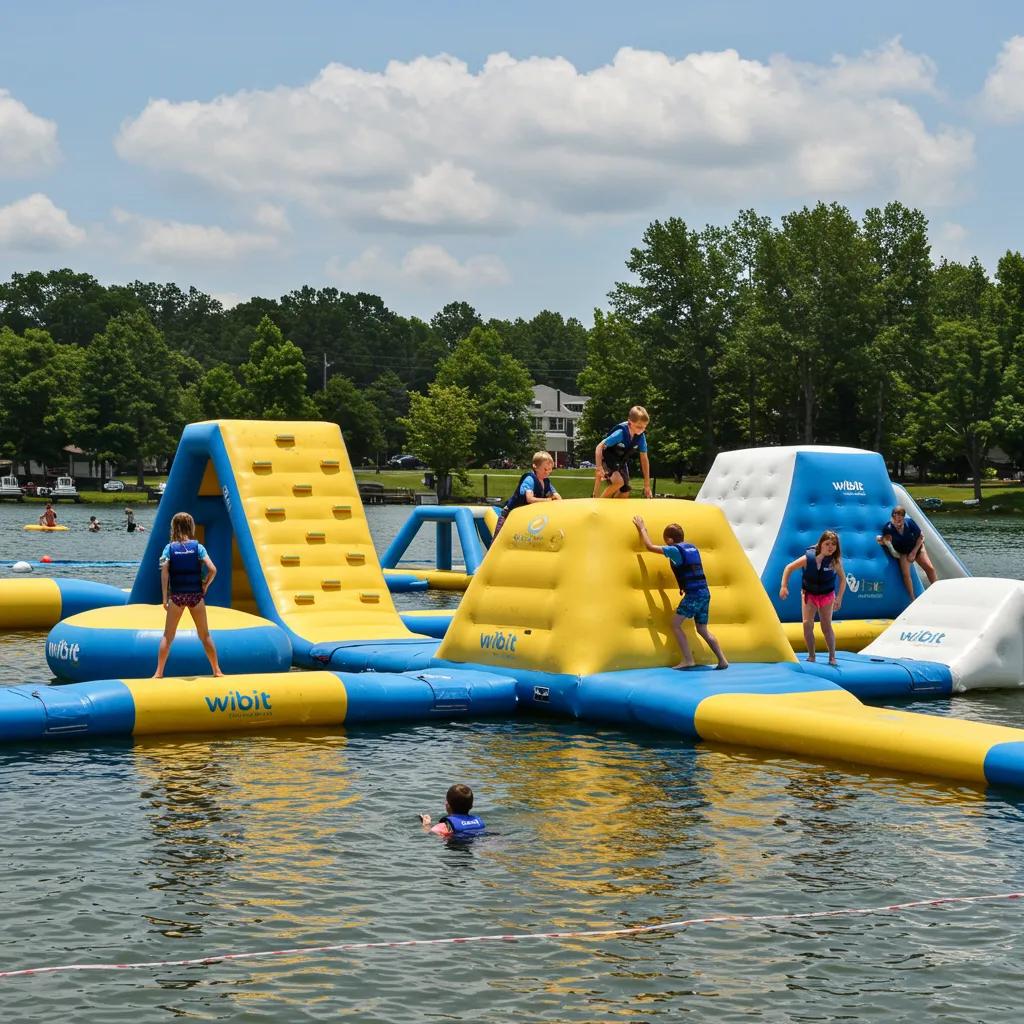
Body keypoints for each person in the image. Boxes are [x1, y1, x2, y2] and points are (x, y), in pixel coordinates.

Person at [633, 516, 729, 671]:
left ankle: (688, 659)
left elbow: (650, 547)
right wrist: (683, 585)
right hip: (704, 593)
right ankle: (722, 660)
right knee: (702, 629)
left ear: (670, 540)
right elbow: (689, 568)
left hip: (694, 595)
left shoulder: (674, 550)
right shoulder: (692, 547)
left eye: (665, 540)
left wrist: (642, 528)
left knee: (675, 624)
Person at [153, 511, 224, 678]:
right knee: (205, 635)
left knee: (168, 636)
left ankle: (158, 672)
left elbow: (164, 573)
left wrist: (165, 598)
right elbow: (213, 569)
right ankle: (217, 670)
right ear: (190, 527)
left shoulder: (168, 549)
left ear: (173, 528)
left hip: (177, 596)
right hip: (195, 596)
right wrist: (205, 584)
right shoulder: (198, 547)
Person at [779, 530, 847, 667]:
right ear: (820, 544)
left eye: (833, 544)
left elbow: (843, 580)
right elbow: (788, 568)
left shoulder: (834, 562)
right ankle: (811, 655)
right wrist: (784, 586)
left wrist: (839, 598)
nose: (830, 547)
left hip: (827, 595)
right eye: (827, 544)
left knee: (826, 626)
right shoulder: (807, 558)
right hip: (809, 595)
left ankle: (832, 656)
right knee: (807, 624)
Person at [492, 450, 562, 539]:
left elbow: (556, 496)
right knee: (498, 540)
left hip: (525, 516)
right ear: (535, 466)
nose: (547, 472)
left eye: (550, 469)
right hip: (509, 515)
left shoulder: (546, 481)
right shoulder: (530, 479)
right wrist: (547, 500)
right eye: (545, 469)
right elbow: (530, 499)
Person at [876, 505, 937, 602]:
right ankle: (912, 598)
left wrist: (914, 552)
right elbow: (886, 541)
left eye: (899, 518)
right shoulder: (888, 528)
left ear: (903, 518)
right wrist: (888, 546)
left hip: (917, 548)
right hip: (903, 552)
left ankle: (936, 591)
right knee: (905, 574)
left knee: (930, 568)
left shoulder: (910, 523)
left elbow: (921, 537)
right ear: (892, 517)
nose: (897, 521)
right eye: (894, 518)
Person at [594, 406, 652, 499]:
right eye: (638, 426)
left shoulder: (641, 437)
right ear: (629, 422)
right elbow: (599, 447)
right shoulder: (620, 433)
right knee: (618, 482)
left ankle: (612, 509)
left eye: (644, 427)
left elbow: (644, 459)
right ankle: (600, 504)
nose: (641, 430)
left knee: (625, 492)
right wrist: (599, 467)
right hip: (607, 458)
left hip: (620, 461)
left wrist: (647, 484)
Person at [420, 783, 485, 838]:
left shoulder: (443, 826)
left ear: (447, 805)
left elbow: (430, 835)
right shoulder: (478, 822)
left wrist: (426, 825)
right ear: (471, 806)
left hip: (455, 848)